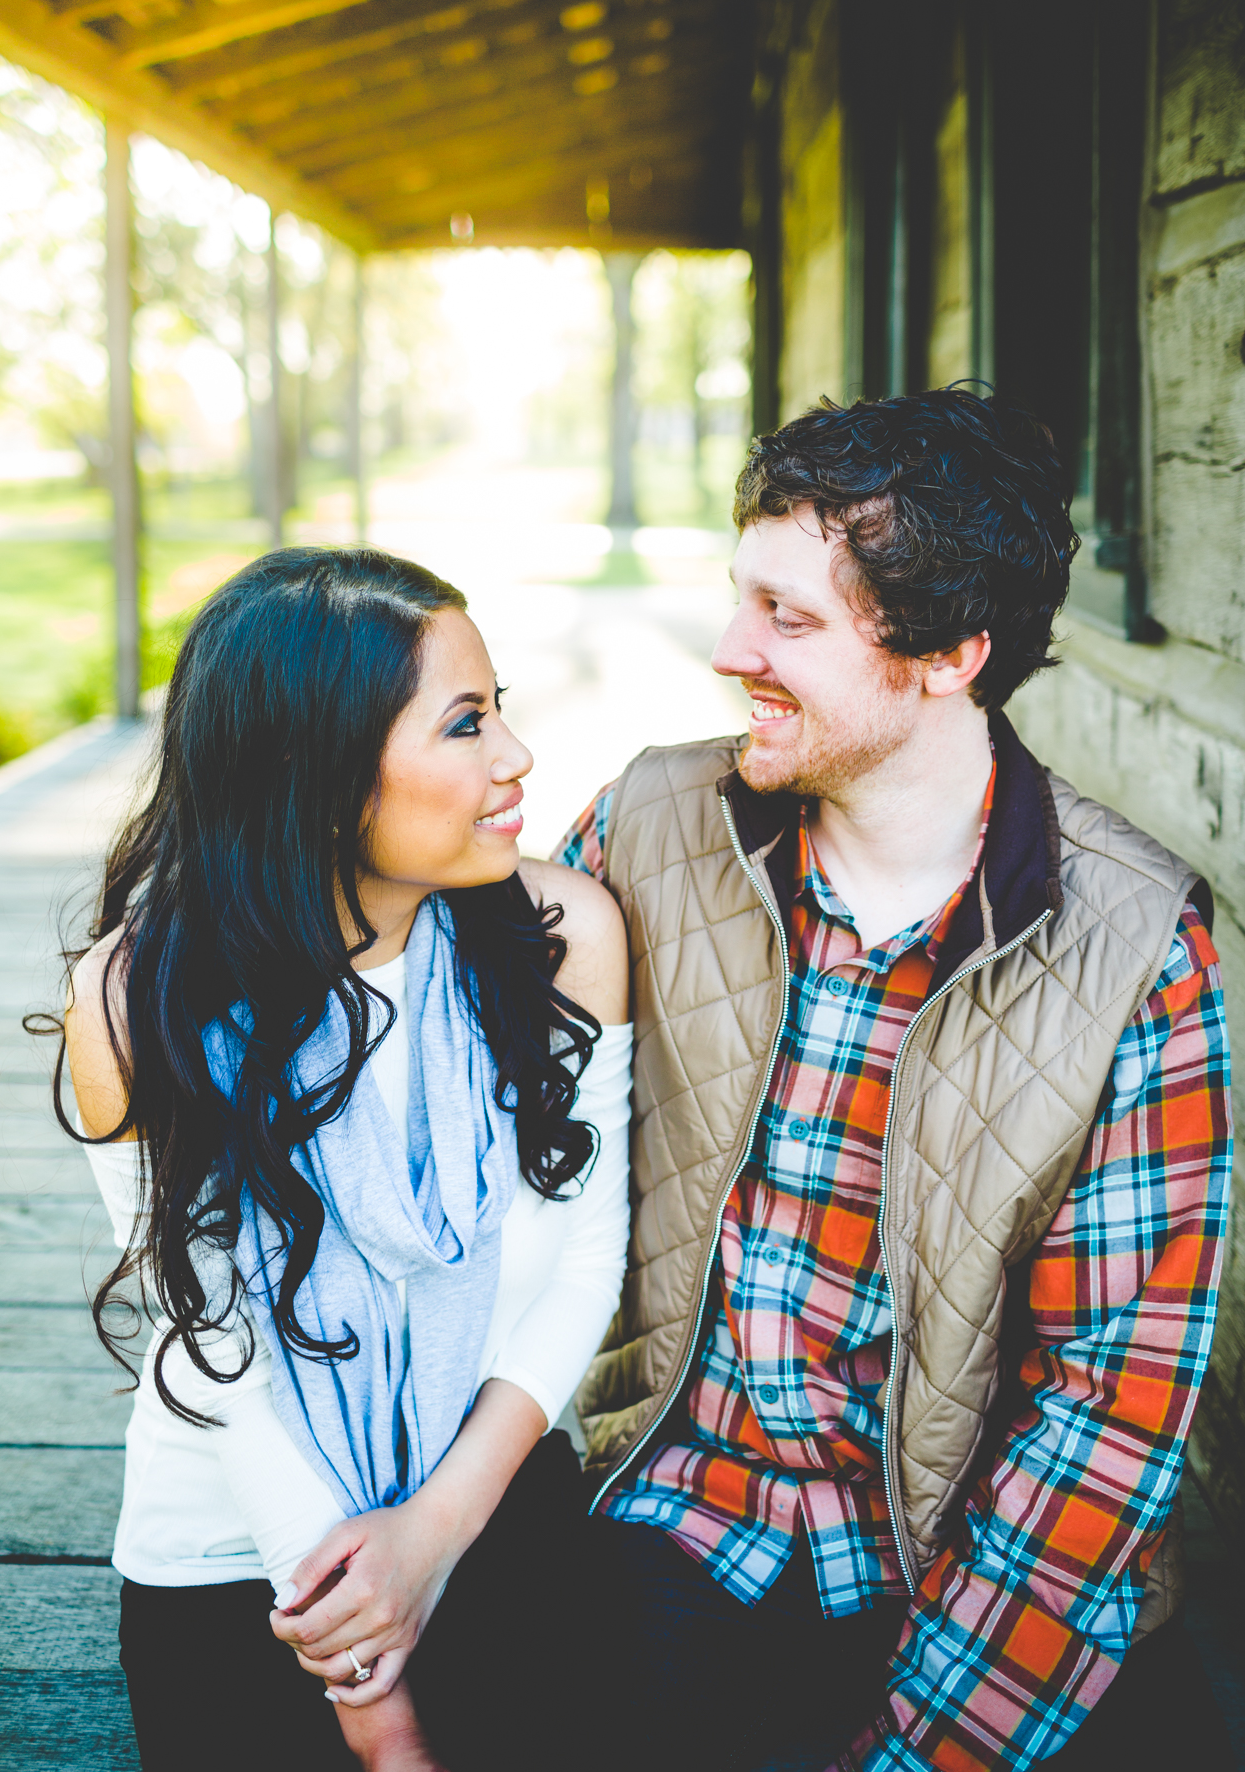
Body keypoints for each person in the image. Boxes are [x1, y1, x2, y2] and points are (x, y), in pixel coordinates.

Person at [555, 390, 1234, 1771]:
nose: (731, 650)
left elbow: (1105, 1424)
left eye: (788, 620)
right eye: (742, 598)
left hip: (949, 1578)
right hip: (666, 1516)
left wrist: (919, 1752)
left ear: (951, 655)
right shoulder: (648, 825)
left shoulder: (1140, 952)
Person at [60, 547, 630, 1772]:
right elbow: (213, 1345)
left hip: (490, 1496)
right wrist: (372, 1698)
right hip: (239, 1545)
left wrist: (429, 1536)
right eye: (466, 724)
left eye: (502, 711)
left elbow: (583, 1261)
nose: (515, 759)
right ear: (316, 778)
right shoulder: (134, 1000)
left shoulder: (559, 939)